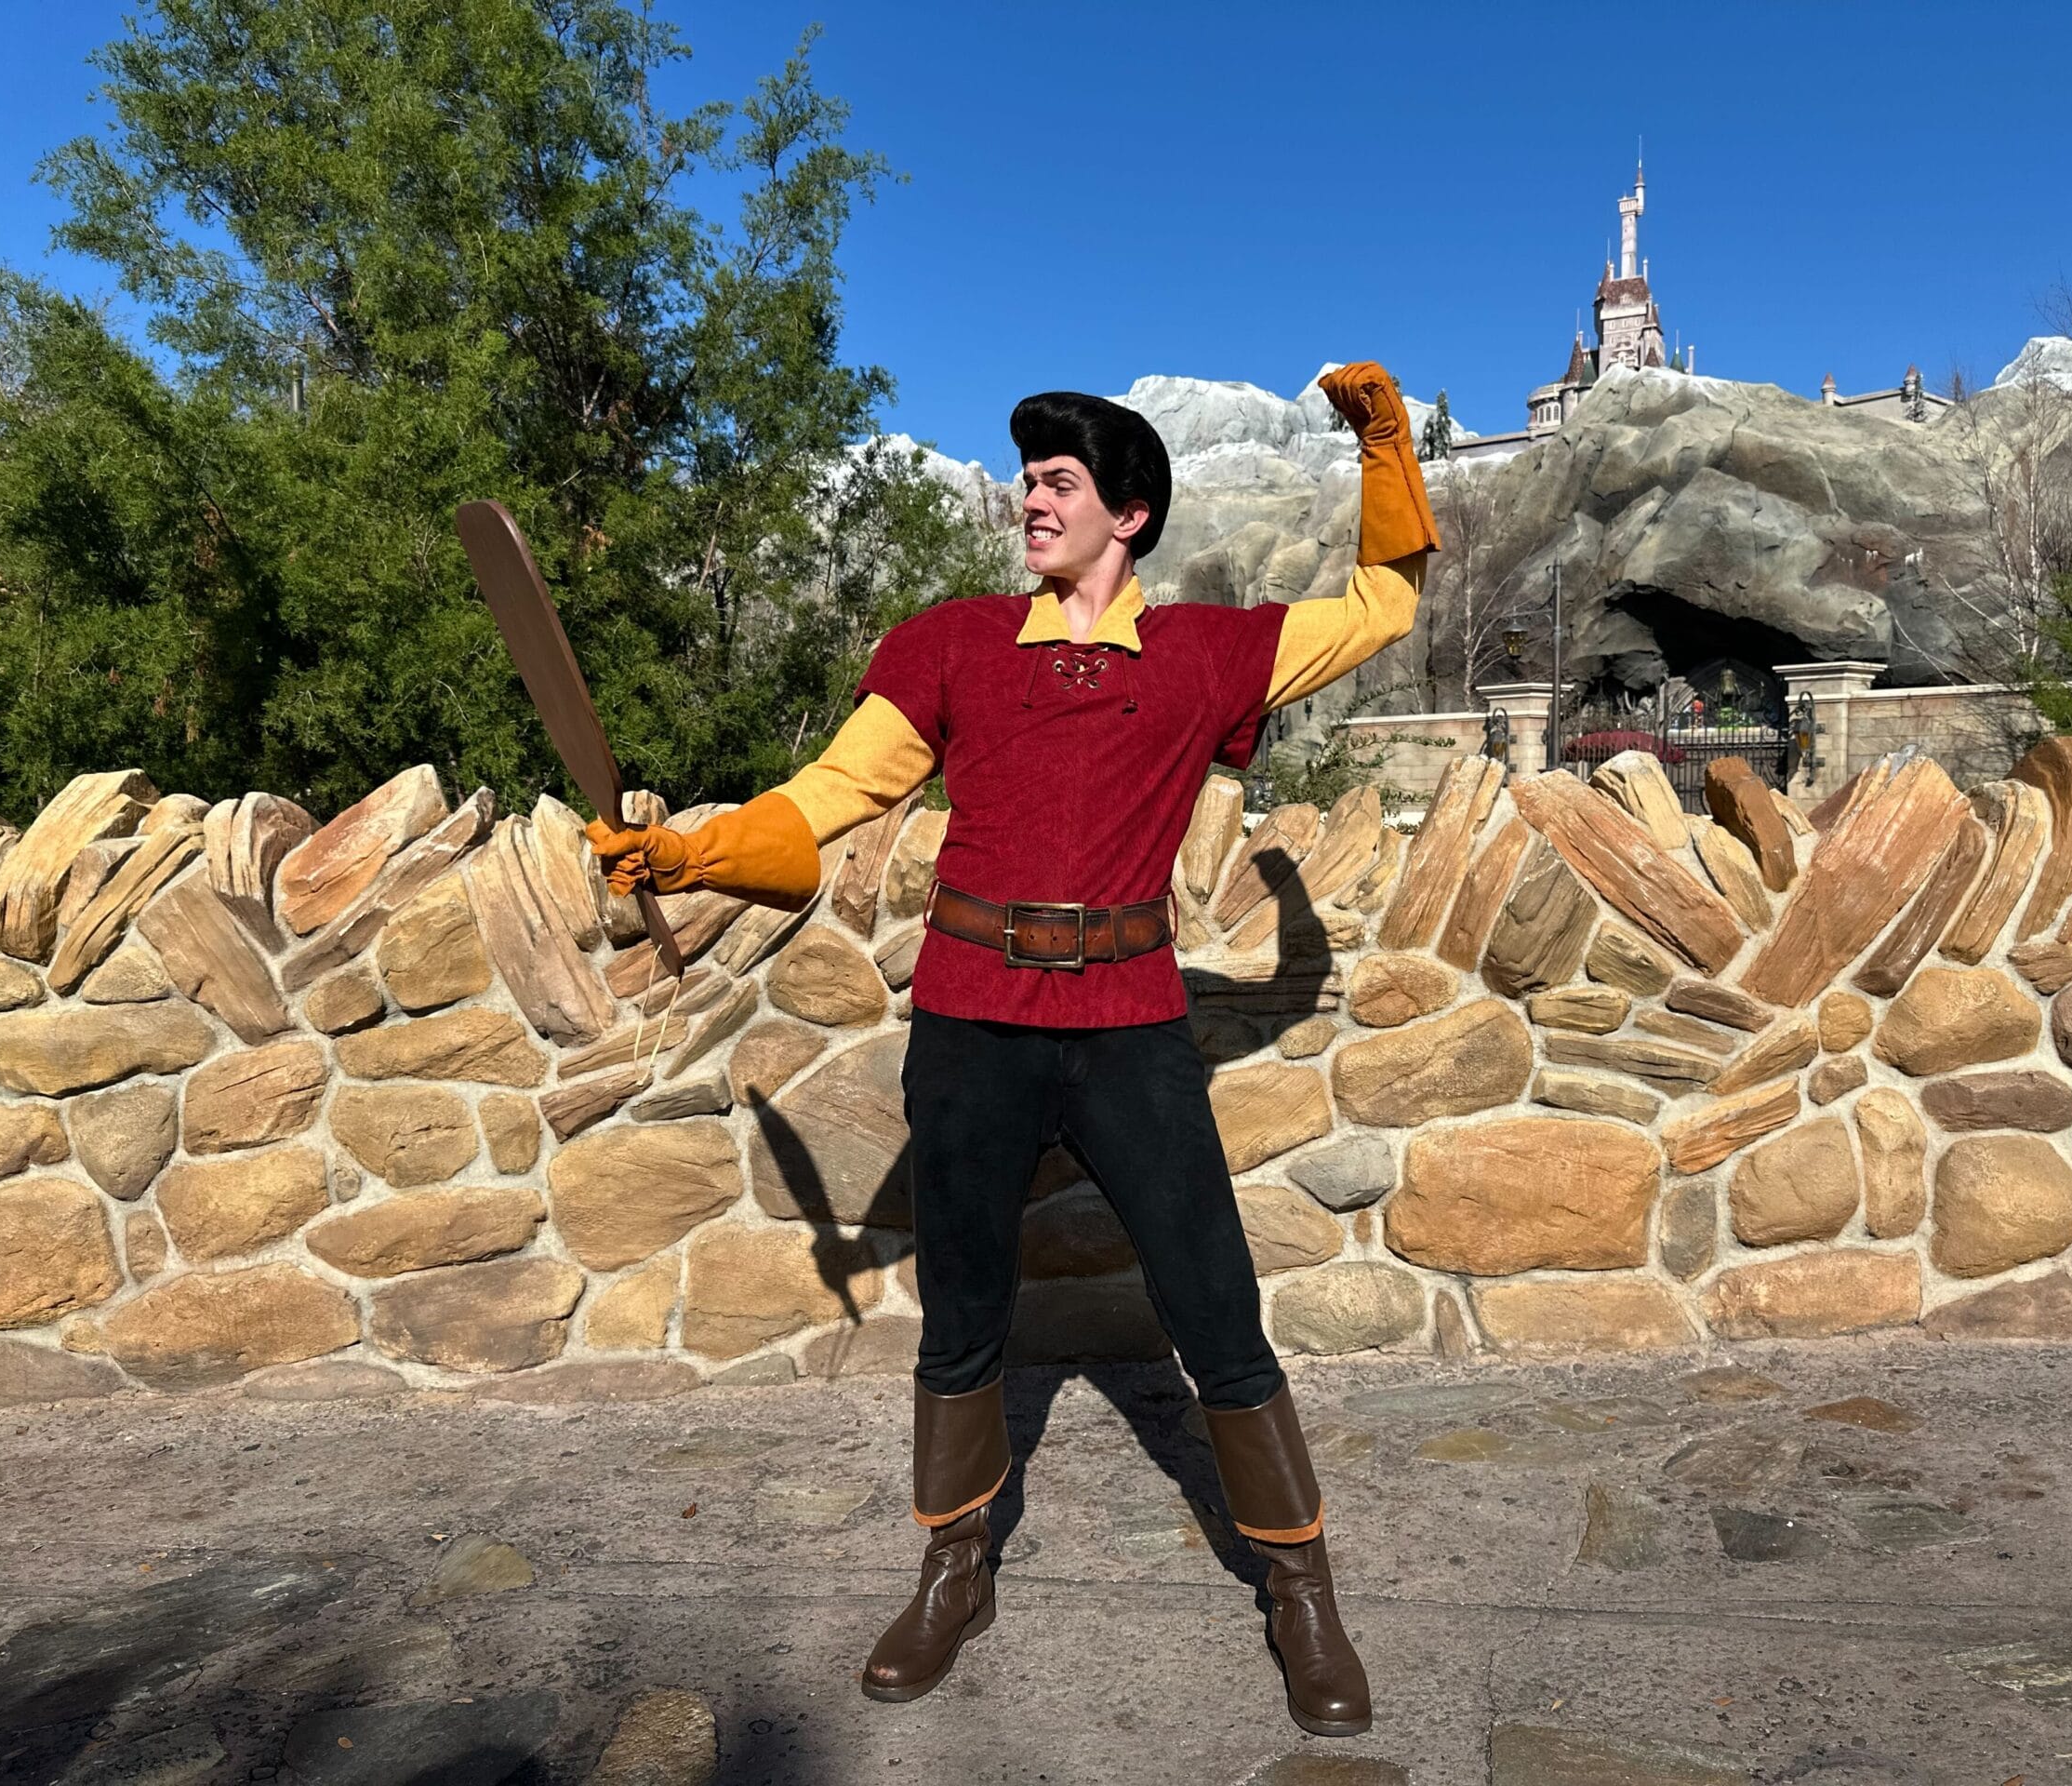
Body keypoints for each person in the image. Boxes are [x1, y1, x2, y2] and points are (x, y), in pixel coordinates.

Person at [587, 362, 1438, 1738]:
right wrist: (696, 852)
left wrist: (1385, 449)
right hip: (972, 1021)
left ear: (1130, 516)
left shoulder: (1211, 653)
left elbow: (1384, 603)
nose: (1030, 501)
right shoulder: (951, 644)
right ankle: (953, 1570)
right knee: (966, 1308)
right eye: (1028, 481)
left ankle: (1301, 1592)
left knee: (1215, 1305)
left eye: (1058, 483)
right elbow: (831, 794)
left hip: (1132, 1025)